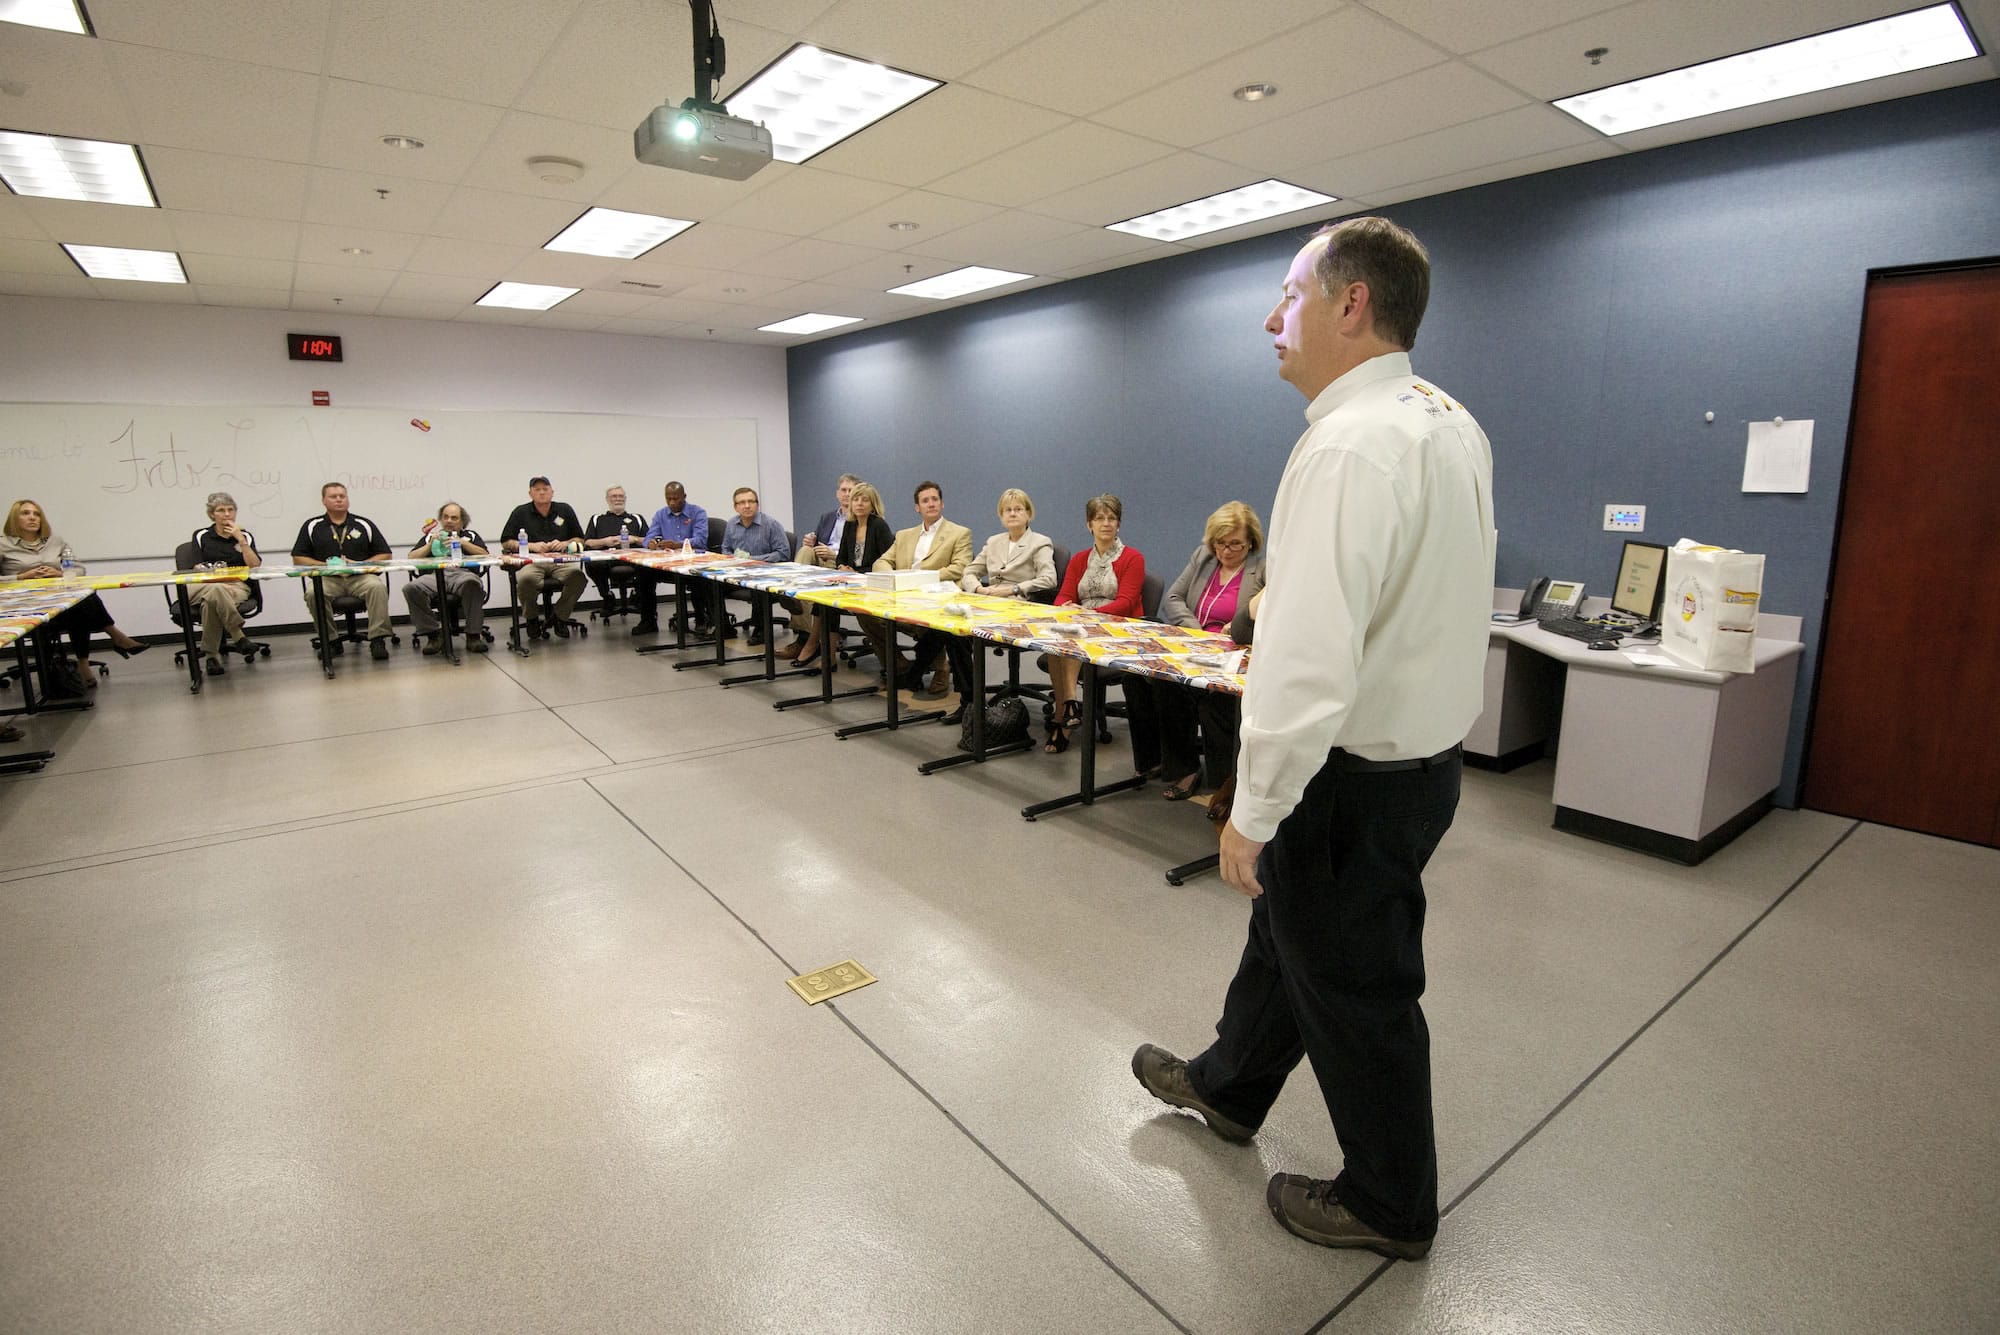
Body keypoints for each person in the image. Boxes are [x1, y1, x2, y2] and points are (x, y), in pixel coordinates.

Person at [1131, 217, 1495, 1262]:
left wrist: (1252, 809)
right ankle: (1228, 1087)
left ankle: (1388, 1202)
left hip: (1348, 776)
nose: (1267, 317)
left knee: (1358, 988)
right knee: (1291, 942)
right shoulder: (1445, 420)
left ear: (1350, 305)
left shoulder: (1344, 445)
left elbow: (1305, 659)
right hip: (1420, 765)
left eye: (1286, 294)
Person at [1151, 501, 1266, 800]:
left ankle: (1223, 783)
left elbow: (1265, 618)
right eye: (1220, 543)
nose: (1226, 551)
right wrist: (1198, 631)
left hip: (1232, 656)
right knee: (1166, 685)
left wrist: (1236, 628)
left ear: (1251, 542)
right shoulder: (1203, 558)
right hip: (1194, 648)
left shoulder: (1262, 570)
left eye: (1235, 545)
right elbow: (1174, 598)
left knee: (1216, 702)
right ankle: (1185, 769)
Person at [935, 487, 1057, 722]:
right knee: (953, 631)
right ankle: (970, 702)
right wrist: (979, 589)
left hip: (1019, 606)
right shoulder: (994, 542)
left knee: (965, 633)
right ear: (1001, 516)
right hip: (988, 602)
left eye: (1018, 509)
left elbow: (1048, 579)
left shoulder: (1040, 543)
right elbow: (969, 571)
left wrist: (1013, 588)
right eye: (1007, 510)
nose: (1013, 514)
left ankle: (972, 703)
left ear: (1029, 514)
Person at [0, 498, 152, 681]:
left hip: (58, 603)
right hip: (24, 608)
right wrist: (21, 576)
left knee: (82, 600)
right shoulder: (3, 545)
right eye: (26, 513)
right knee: (84, 603)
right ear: (14, 519)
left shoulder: (55, 542)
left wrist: (59, 573)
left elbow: (78, 568)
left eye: (37, 514)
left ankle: (83, 663)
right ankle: (116, 637)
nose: (32, 518)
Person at [1042, 493, 1146, 754]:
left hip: (1118, 628)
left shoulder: (1133, 558)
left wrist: (1088, 614)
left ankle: (1063, 719)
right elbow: (1063, 597)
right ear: (1089, 525)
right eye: (1099, 518)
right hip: (1082, 625)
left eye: (1112, 518)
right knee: (1059, 642)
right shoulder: (1079, 560)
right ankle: (1068, 707)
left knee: (1071, 637)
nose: (1106, 523)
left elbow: (1126, 602)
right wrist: (1068, 608)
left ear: (1119, 524)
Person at [868, 480, 972, 694]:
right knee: (865, 613)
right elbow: (882, 561)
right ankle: (898, 664)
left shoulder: (959, 533)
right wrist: (893, 577)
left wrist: (920, 579)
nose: (931, 504)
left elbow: (959, 568)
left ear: (942, 504)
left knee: (931, 614)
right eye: (925, 501)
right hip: (903, 596)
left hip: (934, 597)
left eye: (935, 499)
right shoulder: (904, 535)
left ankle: (940, 668)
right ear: (918, 507)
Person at [791, 480, 892, 669]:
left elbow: (886, 562)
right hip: (851, 581)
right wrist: (842, 567)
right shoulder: (850, 525)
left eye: (865, 500)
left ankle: (814, 646)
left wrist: (858, 572)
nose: (859, 504)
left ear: (873, 505)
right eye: (856, 500)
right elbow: (842, 557)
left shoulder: (879, 526)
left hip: (872, 583)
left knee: (831, 600)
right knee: (826, 601)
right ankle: (829, 657)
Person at [290, 482, 394, 659]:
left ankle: (378, 639)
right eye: (333, 496)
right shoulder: (312, 526)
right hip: (328, 578)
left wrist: (359, 565)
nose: (339, 499)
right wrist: (326, 566)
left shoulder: (363, 524)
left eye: (342, 496)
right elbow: (298, 558)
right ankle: (330, 641)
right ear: (323, 501)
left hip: (360, 577)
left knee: (377, 587)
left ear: (348, 499)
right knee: (313, 593)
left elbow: (385, 554)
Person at [186, 491, 269, 677]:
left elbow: (254, 565)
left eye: (230, 510)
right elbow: (197, 566)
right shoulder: (201, 536)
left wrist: (241, 541)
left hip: (236, 586)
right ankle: (238, 634)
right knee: (215, 590)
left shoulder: (245, 536)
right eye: (221, 510)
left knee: (212, 601)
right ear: (211, 514)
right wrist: (218, 576)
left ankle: (211, 657)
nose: (227, 514)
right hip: (204, 585)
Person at [500, 476, 586, 639]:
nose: (541, 493)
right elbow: (506, 542)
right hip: (533, 561)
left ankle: (560, 616)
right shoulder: (520, 512)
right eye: (537, 489)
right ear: (530, 493)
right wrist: (531, 546)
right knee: (525, 579)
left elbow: (580, 539)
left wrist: (564, 543)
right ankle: (532, 618)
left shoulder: (565, 510)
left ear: (552, 492)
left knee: (579, 578)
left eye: (545, 489)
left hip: (560, 561)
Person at [783, 473, 859, 656]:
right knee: (804, 551)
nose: (846, 494)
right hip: (820, 558)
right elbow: (817, 542)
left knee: (810, 591)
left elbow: (859, 554)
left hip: (841, 563)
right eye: (843, 490)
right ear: (837, 493)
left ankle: (805, 638)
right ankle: (793, 588)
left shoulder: (861, 519)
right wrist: (812, 540)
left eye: (851, 490)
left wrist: (834, 554)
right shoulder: (827, 517)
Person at [402, 502, 490, 655]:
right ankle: (433, 635)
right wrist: (429, 545)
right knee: (410, 588)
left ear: (462, 521)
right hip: (434, 575)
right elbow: (411, 557)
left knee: (473, 584)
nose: (449, 521)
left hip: (462, 574)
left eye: (454, 518)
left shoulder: (470, 535)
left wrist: (462, 543)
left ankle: (473, 635)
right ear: (441, 520)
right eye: (446, 517)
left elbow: (485, 554)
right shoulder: (431, 536)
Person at [717, 486, 793, 645]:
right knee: (710, 583)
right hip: (738, 573)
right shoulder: (731, 524)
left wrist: (754, 560)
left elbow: (783, 553)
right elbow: (725, 548)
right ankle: (723, 626)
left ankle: (761, 631)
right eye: (742, 502)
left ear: (757, 504)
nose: (747, 505)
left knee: (758, 586)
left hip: (765, 574)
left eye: (751, 501)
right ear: (735, 507)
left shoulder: (771, 524)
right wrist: (730, 558)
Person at [633, 481, 709, 634]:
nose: (672, 502)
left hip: (692, 563)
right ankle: (648, 620)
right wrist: (651, 544)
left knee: (699, 578)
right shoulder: (660, 514)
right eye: (669, 499)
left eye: (676, 498)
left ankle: (702, 618)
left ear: (684, 497)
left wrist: (678, 544)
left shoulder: (697, 512)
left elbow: (700, 540)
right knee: (643, 573)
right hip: (669, 565)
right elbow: (648, 537)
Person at [582, 484, 649, 619]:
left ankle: (638, 594)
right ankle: (607, 596)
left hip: (632, 559)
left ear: (625, 498)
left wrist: (634, 539)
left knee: (648, 566)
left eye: (620, 496)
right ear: (607, 499)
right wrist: (604, 542)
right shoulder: (597, 519)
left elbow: (650, 541)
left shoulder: (637, 518)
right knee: (591, 564)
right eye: (614, 496)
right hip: (606, 560)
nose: (618, 499)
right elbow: (587, 542)